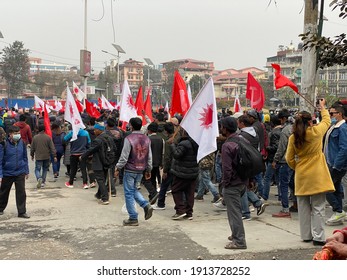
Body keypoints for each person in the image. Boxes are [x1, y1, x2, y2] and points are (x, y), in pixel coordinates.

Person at [286, 98, 335, 246]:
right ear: (310, 121)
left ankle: (306, 235)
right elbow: (327, 121)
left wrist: (298, 167)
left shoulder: (293, 138)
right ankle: (318, 237)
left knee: (303, 207)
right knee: (318, 207)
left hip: (302, 175)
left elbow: (289, 159)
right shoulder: (316, 132)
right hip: (318, 174)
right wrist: (323, 107)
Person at [115, 117, 153, 226]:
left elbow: (124, 157)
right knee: (133, 190)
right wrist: (148, 169)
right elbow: (149, 156)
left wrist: (117, 168)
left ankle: (133, 217)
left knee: (129, 193)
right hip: (141, 169)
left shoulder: (129, 138)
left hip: (130, 169)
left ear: (131, 125)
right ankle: (145, 205)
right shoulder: (146, 138)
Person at [220, 116, 248, 249]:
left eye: (221, 127)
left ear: (225, 128)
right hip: (243, 181)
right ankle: (235, 234)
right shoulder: (242, 139)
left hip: (233, 184)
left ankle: (239, 241)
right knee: (235, 211)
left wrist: (225, 184)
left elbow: (227, 169)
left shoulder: (227, 146)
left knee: (234, 212)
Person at [323, 103, 347, 225]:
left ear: (339, 114)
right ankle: (339, 212)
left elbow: (344, 148)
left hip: (337, 164)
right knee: (336, 188)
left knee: (326, 188)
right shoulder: (334, 126)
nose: (330, 115)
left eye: (332, 113)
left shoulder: (343, 128)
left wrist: (336, 165)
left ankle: (338, 210)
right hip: (330, 162)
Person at [0, 126, 30, 218]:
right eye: (15, 133)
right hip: (7, 172)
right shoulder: (4, 144)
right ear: (10, 134)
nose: (17, 135)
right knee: (4, 193)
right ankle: (0, 208)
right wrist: (0, 174)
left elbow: (25, 157)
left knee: (21, 193)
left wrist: (26, 170)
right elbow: (0, 161)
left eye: (18, 133)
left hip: (20, 172)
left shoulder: (22, 143)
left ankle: (21, 212)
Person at [81, 122, 114, 205]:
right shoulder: (109, 138)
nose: (94, 131)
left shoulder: (98, 140)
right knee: (102, 179)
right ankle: (99, 194)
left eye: (95, 130)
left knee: (100, 180)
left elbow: (91, 150)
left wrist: (83, 156)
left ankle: (105, 198)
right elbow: (114, 149)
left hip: (99, 163)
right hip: (107, 162)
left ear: (99, 130)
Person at [170, 128, 199, 220]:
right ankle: (189, 212)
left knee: (176, 189)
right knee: (189, 193)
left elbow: (177, 155)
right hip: (193, 172)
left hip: (182, 172)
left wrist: (173, 145)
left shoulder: (184, 143)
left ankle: (180, 210)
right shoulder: (196, 143)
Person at [272, 108, 294, 217]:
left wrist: (275, 160)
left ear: (284, 119)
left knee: (283, 185)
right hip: (296, 160)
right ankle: (296, 204)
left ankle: (285, 209)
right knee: (293, 184)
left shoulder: (286, 130)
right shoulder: (296, 128)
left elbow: (281, 147)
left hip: (285, 161)